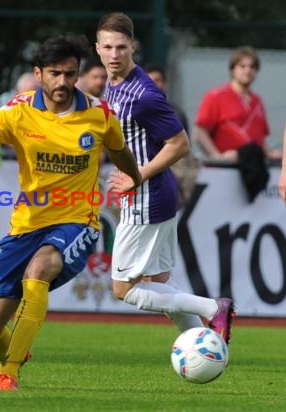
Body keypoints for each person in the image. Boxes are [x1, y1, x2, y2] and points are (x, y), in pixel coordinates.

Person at [0, 34, 142, 391]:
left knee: (39, 268)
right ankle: (15, 352)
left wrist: (135, 177)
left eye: (70, 74)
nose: (63, 82)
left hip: (77, 220)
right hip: (27, 224)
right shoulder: (17, 111)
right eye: (55, 74)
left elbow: (120, 151)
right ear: (38, 73)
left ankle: (9, 372)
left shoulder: (99, 114)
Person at [95, 12, 234, 343]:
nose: (115, 55)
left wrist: (137, 175)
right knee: (159, 280)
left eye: (121, 48)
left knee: (123, 289)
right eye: (108, 47)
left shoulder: (144, 94)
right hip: (151, 195)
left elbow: (181, 144)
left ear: (134, 48)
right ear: (97, 49)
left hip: (148, 196)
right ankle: (205, 345)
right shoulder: (112, 85)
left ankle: (214, 307)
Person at [193, 46, 281, 162]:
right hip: (226, 168)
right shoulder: (215, 96)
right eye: (242, 66)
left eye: (252, 66)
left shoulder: (257, 101)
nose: (248, 70)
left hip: (254, 167)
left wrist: (270, 153)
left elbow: (260, 138)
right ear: (233, 69)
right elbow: (199, 132)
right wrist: (217, 157)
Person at [144, 63, 198, 209]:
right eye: (150, 81)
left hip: (173, 164)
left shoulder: (176, 113)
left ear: (165, 83)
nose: (155, 85)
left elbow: (183, 147)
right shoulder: (134, 110)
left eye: (158, 80)